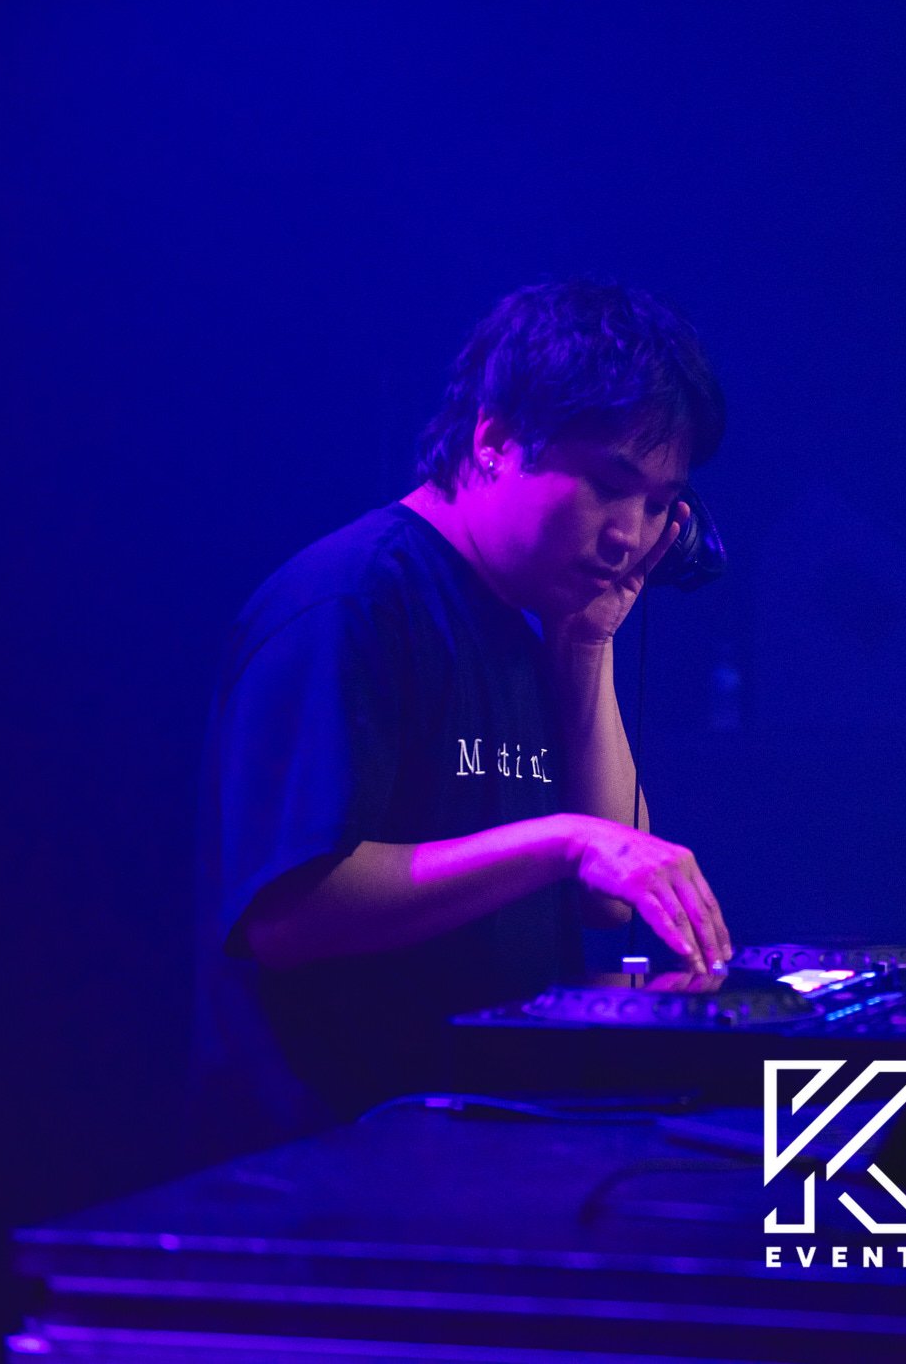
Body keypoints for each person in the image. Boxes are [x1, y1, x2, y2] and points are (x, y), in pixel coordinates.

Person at [189, 280, 733, 1163]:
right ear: (494, 439)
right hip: (334, 1173)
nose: (629, 535)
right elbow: (288, 913)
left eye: (656, 505)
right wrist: (563, 840)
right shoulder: (353, 602)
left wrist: (586, 648)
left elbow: (606, 898)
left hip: (481, 1149)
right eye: (609, 485)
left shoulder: (530, 618)